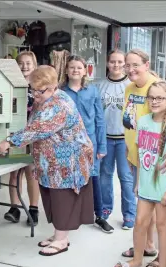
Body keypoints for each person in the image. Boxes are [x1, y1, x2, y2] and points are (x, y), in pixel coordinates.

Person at [0, 65, 94, 256]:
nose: (35, 94)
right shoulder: (44, 99)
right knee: (52, 198)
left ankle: (61, 240)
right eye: (32, 90)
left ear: (52, 87)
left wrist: (10, 141)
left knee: (62, 200)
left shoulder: (58, 104)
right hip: (50, 163)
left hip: (66, 163)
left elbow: (39, 128)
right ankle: (58, 234)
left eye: (39, 91)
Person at [113, 80, 166, 267]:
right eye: (151, 97)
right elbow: (141, 153)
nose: (154, 101)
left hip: (164, 187)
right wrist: (137, 183)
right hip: (145, 186)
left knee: (163, 227)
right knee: (140, 222)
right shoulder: (144, 121)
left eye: (159, 98)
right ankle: (137, 260)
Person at [120, 49, 166, 267]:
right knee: (146, 206)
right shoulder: (129, 88)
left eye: (135, 65)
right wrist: (127, 146)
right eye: (127, 65)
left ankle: (165, 257)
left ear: (146, 64)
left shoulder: (156, 87)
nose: (130, 69)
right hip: (137, 155)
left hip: (156, 160)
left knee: (161, 211)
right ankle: (147, 246)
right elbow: (130, 119)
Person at [61, 55, 113, 233]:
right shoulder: (61, 92)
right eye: (72, 67)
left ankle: (99, 215)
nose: (75, 70)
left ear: (85, 71)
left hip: (89, 143)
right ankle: (72, 214)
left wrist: (102, 146)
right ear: (67, 70)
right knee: (70, 179)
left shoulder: (93, 91)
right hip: (67, 143)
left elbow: (99, 119)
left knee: (94, 177)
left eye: (79, 67)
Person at [98, 49, 136, 229]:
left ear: (125, 64)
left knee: (126, 177)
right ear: (107, 63)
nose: (116, 65)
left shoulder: (131, 85)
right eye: (113, 61)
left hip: (124, 140)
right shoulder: (99, 85)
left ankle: (129, 214)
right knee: (105, 176)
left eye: (120, 62)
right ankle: (105, 209)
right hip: (105, 138)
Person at [4, 51, 40, 226]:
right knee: (14, 173)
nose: (25, 66)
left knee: (31, 172)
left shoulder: (38, 86)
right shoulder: (9, 84)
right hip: (15, 133)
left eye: (28, 63)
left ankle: (33, 209)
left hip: (32, 134)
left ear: (34, 66)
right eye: (21, 63)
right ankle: (14, 207)